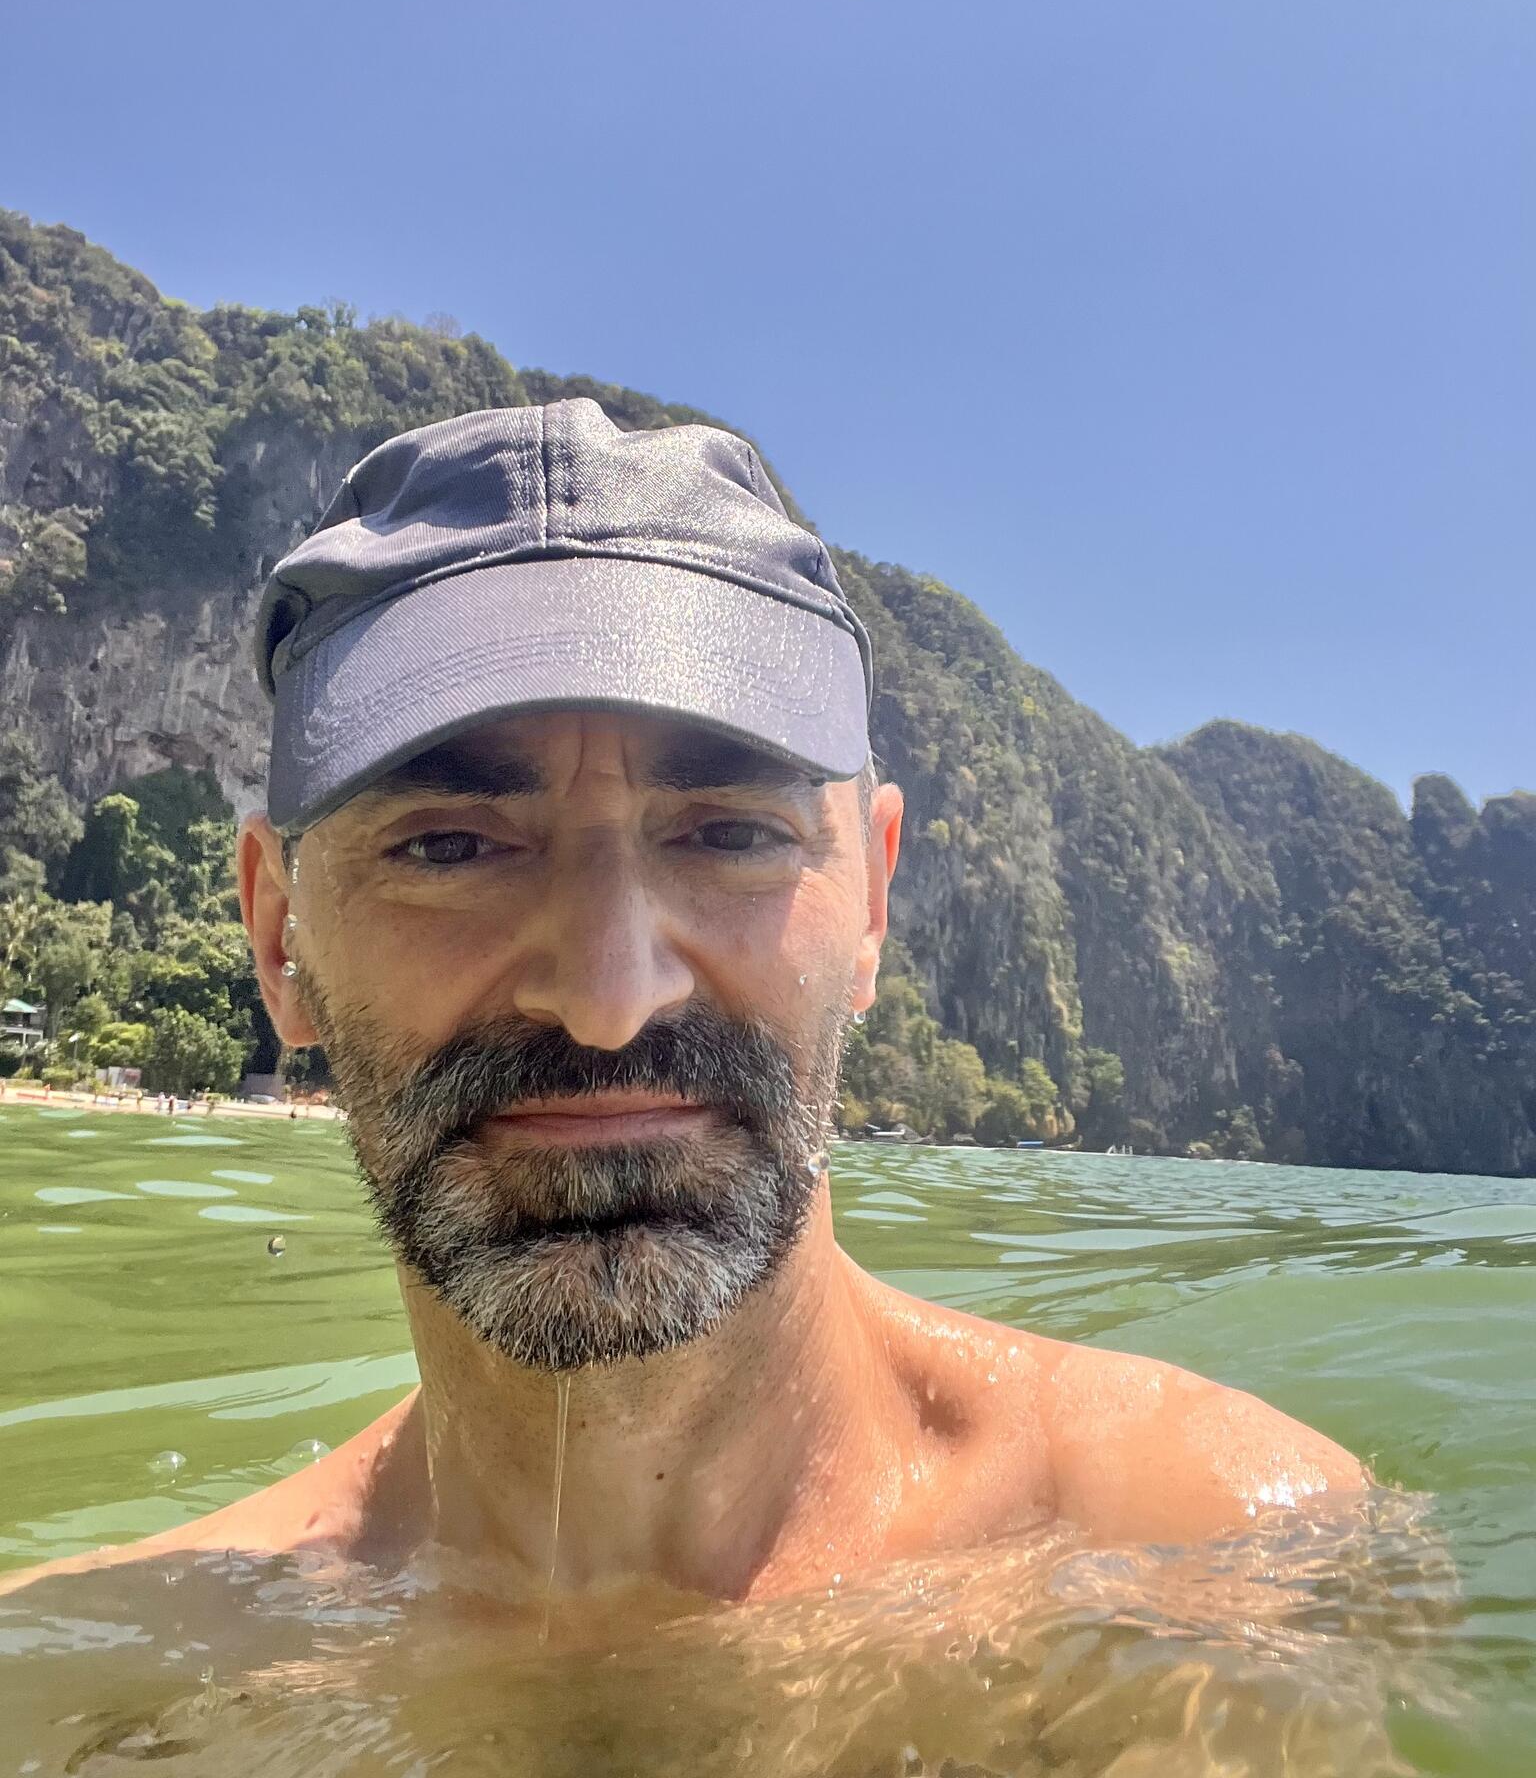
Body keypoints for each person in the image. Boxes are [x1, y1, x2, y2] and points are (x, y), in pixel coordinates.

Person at [10, 399, 1363, 1603]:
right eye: (449, 846)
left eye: (729, 834)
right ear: (278, 936)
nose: (607, 999)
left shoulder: (1225, 1566)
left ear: (873, 901)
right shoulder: (120, 1690)